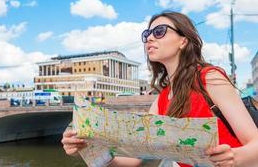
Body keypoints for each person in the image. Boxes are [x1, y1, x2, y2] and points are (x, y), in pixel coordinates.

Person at [61, 11, 258, 167]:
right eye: (147, 35)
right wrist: (88, 149)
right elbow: (137, 160)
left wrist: (234, 157)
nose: (149, 39)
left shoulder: (209, 78)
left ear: (183, 40)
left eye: (159, 31)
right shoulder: (161, 100)